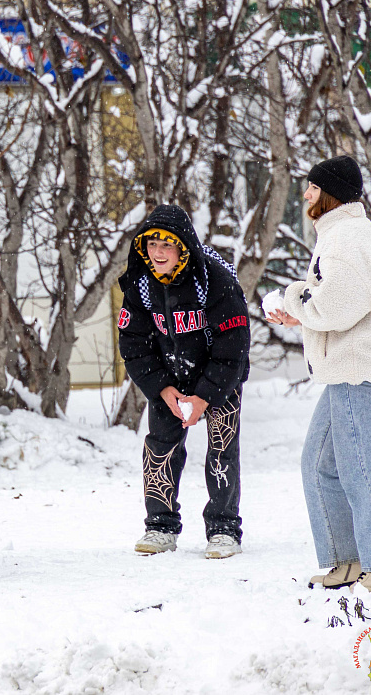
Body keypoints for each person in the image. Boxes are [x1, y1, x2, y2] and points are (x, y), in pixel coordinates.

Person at [266, 155, 371, 592]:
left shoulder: (346, 238)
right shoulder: (344, 234)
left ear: (326, 193)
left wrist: (294, 301)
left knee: (360, 466)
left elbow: (339, 304)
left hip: (356, 366)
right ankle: (348, 561)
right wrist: (306, 315)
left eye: (311, 187)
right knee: (319, 464)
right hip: (346, 368)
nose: (304, 194)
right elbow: (341, 301)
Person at [117, 204, 250, 559]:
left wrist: (206, 395)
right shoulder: (140, 282)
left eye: (167, 245)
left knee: (222, 450)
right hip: (169, 378)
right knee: (159, 448)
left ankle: (223, 529)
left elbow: (233, 346)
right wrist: (161, 387)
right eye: (152, 244)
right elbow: (132, 344)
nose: (158, 252)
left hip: (220, 377)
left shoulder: (215, 280)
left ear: (183, 248)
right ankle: (160, 526)